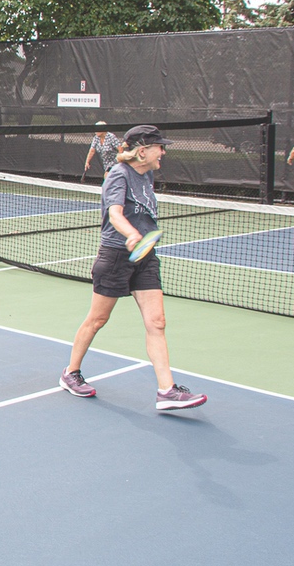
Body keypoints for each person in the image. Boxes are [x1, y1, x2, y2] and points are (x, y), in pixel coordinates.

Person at [59, 124, 207, 411]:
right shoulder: (118, 175)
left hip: (145, 256)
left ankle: (167, 391)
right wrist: (130, 234)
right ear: (142, 151)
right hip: (116, 255)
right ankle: (70, 373)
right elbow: (114, 213)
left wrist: (141, 241)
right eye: (158, 147)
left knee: (157, 322)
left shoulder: (147, 174)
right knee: (97, 320)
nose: (163, 151)